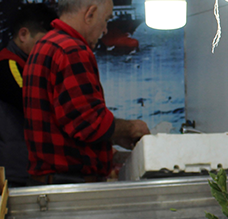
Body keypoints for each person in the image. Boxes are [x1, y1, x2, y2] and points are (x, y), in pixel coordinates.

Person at [23, 0, 149, 185]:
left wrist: (113, 136)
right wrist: (131, 128)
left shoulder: (45, 44)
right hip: (68, 185)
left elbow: (67, 118)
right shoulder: (71, 50)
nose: (105, 30)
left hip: (48, 182)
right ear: (89, 14)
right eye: (105, 20)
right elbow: (88, 122)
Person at [0, 4, 57, 186]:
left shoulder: (28, 66)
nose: (50, 51)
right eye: (45, 43)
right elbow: (36, 107)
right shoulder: (7, 65)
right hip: (6, 179)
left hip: (17, 175)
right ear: (23, 34)